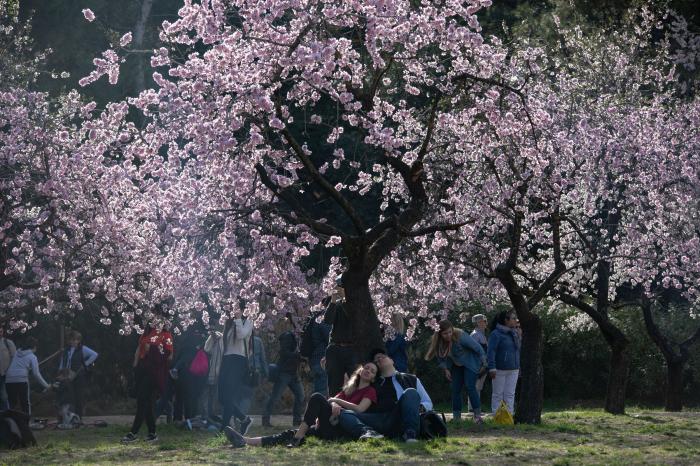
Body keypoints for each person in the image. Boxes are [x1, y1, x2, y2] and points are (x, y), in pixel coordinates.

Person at [225, 362, 378, 449]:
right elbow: (331, 400)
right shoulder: (349, 389)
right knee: (287, 434)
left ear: (372, 378)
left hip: (340, 428)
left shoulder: (370, 391)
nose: (368, 371)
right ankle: (245, 441)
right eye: (367, 368)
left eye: (372, 372)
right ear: (360, 370)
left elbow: (359, 409)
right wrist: (334, 403)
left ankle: (298, 438)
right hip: (327, 425)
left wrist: (338, 403)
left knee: (317, 396)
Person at [339, 349, 433, 442]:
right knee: (345, 414)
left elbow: (428, 402)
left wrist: (414, 408)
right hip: (382, 420)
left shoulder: (411, 379)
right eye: (376, 360)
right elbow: (353, 394)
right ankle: (369, 433)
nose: (379, 359)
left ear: (392, 360)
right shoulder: (373, 383)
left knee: (410, 392)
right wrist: (335, 403)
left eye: (382, 357)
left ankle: (410, 434)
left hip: (406, 418)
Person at [425, 320, 486, 423]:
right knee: (455, 389)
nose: (448, 335)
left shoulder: (460, 335)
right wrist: (446, 369)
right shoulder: (439, 343)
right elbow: (441, 358)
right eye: (445, 333)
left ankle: (477, 416)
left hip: (470, 363)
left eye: (450, 332)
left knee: (470, 386)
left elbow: (478, 348)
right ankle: (457, 417)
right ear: (440, 334)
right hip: (456, 365)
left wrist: (484, 363)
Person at [122, 322, 173, 443]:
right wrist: (135, 365)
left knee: (142, 400)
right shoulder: (146, 333)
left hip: (154, 372)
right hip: (142, 370)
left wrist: (153, 350)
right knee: (147, 402)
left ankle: (133, 432)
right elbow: (139, 349)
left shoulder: (166, 335)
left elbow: (169, 356)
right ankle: (152, 433)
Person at [218, 315, 253, 434]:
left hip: (238, 361)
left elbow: (241, 335)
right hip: (226, 361)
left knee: (228, 397)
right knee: (222, 398)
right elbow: (224, 346)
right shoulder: (229, 323)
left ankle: (223, 429)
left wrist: (238, 318)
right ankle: (244, 419)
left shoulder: (248, 321)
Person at [262, 328, 304, 427]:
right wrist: (296, 355)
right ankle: (265, 419)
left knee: (300, 395)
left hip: (294, 374)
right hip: (284, 373)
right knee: (275, 397)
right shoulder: (288, 336)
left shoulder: (300, 339)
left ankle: (297, 420)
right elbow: (283, 352)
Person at [323, 277, 357, 396]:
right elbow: (327, 321)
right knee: (333, 385)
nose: (341, 289)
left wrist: (346, 299)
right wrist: (333, 301)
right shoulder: (335, 304)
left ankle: (354, 412)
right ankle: (334, 411)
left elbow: (354, 319)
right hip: (335, 348)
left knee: (356, 383)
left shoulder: (357, 303)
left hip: (352, 349)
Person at [171, 325, 207, 429]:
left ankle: (178, 419)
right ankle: (189, 419)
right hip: (190, 376)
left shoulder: (185, 345)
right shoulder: (195, 346)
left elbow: (179, 359)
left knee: (179, 398)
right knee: (189, 398)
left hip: (181, 375)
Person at [4, 337, 51, 416]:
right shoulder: (32, 357)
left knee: (11, 402)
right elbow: (36, 374)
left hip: (9, 379)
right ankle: (26, 421)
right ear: (35, 347)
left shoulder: (16, 353)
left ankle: (9, 421)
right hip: (21, 380)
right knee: (25, 402)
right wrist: (46, 386)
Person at [57, 331, 98, 419]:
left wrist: (85, 364)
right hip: (67, 376)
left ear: (79, 340)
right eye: (72, 340)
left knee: (79, 396)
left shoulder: (83, 349)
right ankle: (68, 417)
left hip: (79, 376)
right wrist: (60, 372)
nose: (74, 342)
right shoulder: (66, 350)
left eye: (76, 340)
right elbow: (62, 361)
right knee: (68, 397)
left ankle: (79, 418)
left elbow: (94, 355)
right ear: (69, 340)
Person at [487, 310, 521, 415]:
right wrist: (492, 367)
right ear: (506, 320)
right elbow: (491, 351)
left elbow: (518, 350)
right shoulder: (496, 334)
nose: (516, 320)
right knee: (498, 394)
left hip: (514, 368)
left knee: (510, 394)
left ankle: (509, 416)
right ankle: (496, 416)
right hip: (499, 369)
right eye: (513, 318)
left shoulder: (515, 333)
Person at [307, 309, 331, 397]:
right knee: (321, 392)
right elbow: (330, 337)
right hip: (321, 359)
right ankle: (315, 409)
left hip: (316, 358)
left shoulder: (318, 317)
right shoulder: (323, 318)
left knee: (319, 389)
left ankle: (312, 408)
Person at [202, 328, 224, 424]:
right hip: (210, 371)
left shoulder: (226, 339)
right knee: (207, 394)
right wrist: (212, 338)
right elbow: (207, 349)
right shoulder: (217, 337)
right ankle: (205, 416)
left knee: (215, 396)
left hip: (221, 372)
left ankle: (212, 416)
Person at [470, 314, 489, 413]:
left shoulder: (481, 334)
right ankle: (473, 407)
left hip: (483, 363)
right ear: (478, 323)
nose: (485, 323)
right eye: (483, 321)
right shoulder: (475, 335)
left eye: (485, 321)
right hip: (477, 364)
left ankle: (476, 406)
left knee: (479, 386)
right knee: (475, 385)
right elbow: (473, 351)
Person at [0, 326, 17, 410]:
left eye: (1, 331)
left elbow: (14, 357)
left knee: (4, 395)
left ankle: (7, 413)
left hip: (7, 373)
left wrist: (10, 370)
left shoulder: (8, 343)